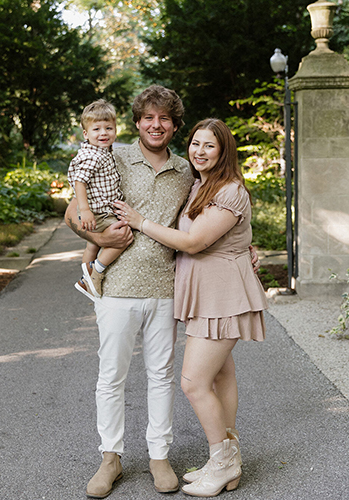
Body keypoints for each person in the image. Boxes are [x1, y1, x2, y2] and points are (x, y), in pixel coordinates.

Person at [65, 88, 260, 498]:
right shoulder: (110, 157)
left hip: (170, 290)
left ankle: (159, 457)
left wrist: (245, 246)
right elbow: (73, 213)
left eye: (165, 119)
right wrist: (98, 233)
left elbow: (213, 218)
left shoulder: (187, 170)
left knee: (162, 377)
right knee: (111, 376)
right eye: (148, 118)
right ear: (136, 122)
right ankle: (110, 458)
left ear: (174, 126)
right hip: (116, 288)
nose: (156, 125)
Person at [114, 118, 268, 498]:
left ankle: (223, 460)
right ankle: (226, 462)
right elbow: (229, 235)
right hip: (206, 292)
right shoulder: (202, 183)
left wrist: (140, 221)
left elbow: (195, 242)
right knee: (219, 377)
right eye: (195, 143)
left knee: (193, 382)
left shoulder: (229, 190)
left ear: (223, 151)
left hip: (223, 294)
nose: (199, 151)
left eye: (209, 146)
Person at [67, 99, 129, 301]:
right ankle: (95, 273)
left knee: (92, 246)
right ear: (85, 134)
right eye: (97, 129)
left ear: (115, 130)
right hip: (98, 212)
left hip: (98, 210)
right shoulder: (92, 156)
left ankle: (87, 281)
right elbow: (79, 181)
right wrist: (84, 210)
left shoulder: (102, 151)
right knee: (123, 236)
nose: (103, 133)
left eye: (108, 128)